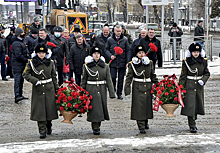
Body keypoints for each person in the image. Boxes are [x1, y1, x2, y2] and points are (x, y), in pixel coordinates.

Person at [23, 44, 58, 139]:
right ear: (36, 53)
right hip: (38, 89)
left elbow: (54, 76)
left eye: (43, 53)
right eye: (39, 53)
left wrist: (57, 89)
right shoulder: (31, 63)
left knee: (49, 109)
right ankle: (42, 130)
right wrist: (35, 81)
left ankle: (49, 125)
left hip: (49, 88)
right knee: (40, 111)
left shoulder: (50, 62)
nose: (41, 55)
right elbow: (26, 74)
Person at [81, 46, 116, 135]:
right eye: (94, 54)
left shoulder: (105, 66)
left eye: (98, 54)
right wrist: (82, 92)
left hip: (102, 89)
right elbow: (84, 80)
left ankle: (98, 124)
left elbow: (109, 80)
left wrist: (112, 93)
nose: (96, 55)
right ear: (92, 55)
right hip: (91, 89)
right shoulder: (86, 66)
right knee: (94, 109)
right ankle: (95, 127)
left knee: (101, 108)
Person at [124, 45, 158, 134]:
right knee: (139, 107)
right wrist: (127, 87)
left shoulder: (149, 63)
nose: (141, 54)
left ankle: (146, 121)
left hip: (147, 86)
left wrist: (157, 84)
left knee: (147, 106)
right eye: (139, 53)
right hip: (137, 87)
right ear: (136, 54)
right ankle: (141, 125)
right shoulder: (133, 64)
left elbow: (152, 74)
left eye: (142, 52)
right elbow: (129, 77)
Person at [179, 43, 210, 133]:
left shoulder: (203, 61)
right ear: (191, 52)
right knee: (190, 106)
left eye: (197, 52)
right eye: (194, 52)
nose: (196, 53)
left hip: (199, 86)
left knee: (197, 105)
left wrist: (203, 80)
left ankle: (193, 119)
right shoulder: (186, 62)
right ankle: (192, 125)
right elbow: (183, 75)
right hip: (189, 85)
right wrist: (181, 86)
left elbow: (207, 73)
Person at [105, 25, 131, 100]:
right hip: (113, 62)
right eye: (117, 31)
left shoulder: (125, 39)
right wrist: (110, 56)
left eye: (120, 31)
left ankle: (119, 93)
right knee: (112, 77)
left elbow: (128, 51)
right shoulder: (110, 40)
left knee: (121, 79)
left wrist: (127, 61)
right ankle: (113, 91)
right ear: (114, 31)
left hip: (122, 62)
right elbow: (106, 50)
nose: (119, 33)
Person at [11, 27, 29, 103]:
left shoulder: (21, 42)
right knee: (17, 81)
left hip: (21, 65)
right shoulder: (16, 43)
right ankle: (17, 96)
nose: (23, 34)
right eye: (22, 33)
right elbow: (18, 55)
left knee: (21, 80)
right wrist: (26, 59)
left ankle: (20, 94)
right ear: (19, 34)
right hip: (17, 65)